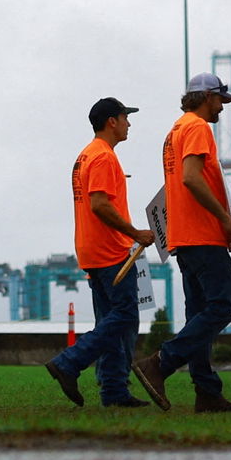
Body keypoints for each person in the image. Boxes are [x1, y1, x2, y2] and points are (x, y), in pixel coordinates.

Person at [133, 73, 231, 414]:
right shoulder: (197, 128)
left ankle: (207, 392)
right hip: (202, 235)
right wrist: (226, 221)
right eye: (220, 101)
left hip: (183, 237)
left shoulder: (174, 132)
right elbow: (191, 178)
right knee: (223, 307)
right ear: (206, 97)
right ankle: (160, 363)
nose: (222, 109)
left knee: (199, 314)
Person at [45, 98, 156, 408]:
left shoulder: (85, 155)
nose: (129, 124)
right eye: (125, 117)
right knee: (122, 318)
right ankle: (69, 363)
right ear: (111, 121)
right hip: (111, 251)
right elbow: (100, 204)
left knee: (112, 322)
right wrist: (135, 234)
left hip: (92, 249)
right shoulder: (104, 158)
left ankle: (114, 391)